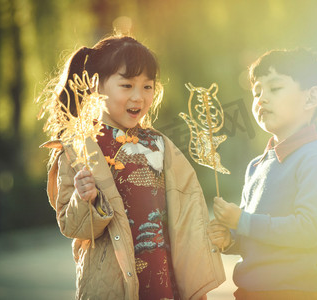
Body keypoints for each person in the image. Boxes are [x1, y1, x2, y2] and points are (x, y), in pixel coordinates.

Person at [38, 34, 225, 300]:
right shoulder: (80, 147)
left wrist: (213, 234)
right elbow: (73, 227)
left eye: (147, 87)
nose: (139, 97)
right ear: (96, 86)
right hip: (112, 287)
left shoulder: (160, 145)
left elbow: (187, 213)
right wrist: (85, 198)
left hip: (164, 281)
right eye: (126, 85)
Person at [207, 48, 317, 300]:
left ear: (311, 98)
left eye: (275, 88)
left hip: (294, 292)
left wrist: (242, 221)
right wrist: (229, 239)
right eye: (257, 92)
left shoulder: (315, 159)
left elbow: (308, 230)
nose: (261, 99)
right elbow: (253, 237)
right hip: (249, 292)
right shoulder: (256, 165)